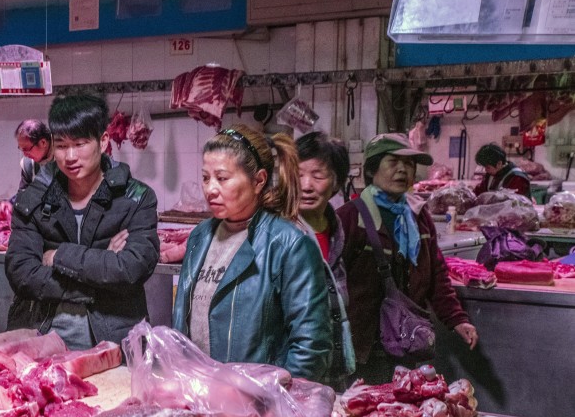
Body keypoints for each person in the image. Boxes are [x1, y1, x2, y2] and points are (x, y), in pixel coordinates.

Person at [172, 124, 333, 380]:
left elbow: (311, 348)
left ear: (259, 180)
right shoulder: (199, 237)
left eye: (222, 178)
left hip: (256, 404)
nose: (210, 188)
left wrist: (272, 401)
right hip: (200, 394)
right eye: (205, 177)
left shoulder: (288, 244)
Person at [5, 91, 160, 349]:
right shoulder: (33, 199)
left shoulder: (136, 198)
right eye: (62, 145)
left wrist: (57, 257)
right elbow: (21, 273)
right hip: (40, 342)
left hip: (114, 344)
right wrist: (97, 277)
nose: (70, 156)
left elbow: (131, 269)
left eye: (80, 144)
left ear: (103, 141)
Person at [336, 133, 479, 384]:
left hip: (405, 343)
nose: (403, 170)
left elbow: (436, 274)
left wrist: (456, 319)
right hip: (361, 349)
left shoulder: (418, 217)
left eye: (409, 164)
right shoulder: (349, 218)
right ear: (372, 170)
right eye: (393, 162)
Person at [296, 131, 355, 387]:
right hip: (293, 376)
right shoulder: (276, 234)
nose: (306, 185)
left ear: (336, 182)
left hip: (334, 369)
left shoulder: (337, 230)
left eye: (317, 175)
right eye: (297, 175)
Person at [15, 119, 53, 190]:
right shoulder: (28, 164)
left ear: (43, 142)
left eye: (27, 149)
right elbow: (23, 195)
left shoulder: (65, 157)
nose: (25, 154)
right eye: (22, 149)